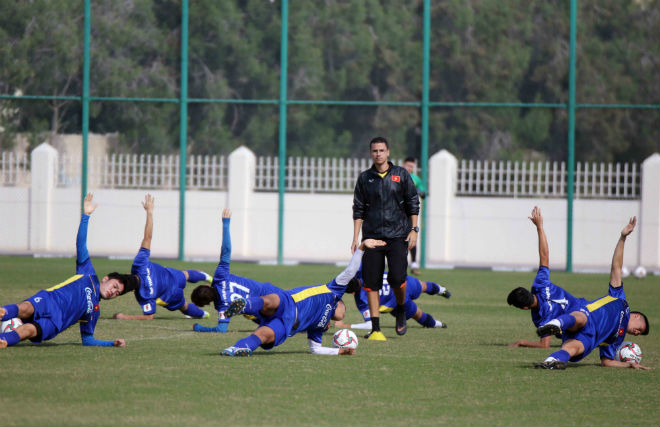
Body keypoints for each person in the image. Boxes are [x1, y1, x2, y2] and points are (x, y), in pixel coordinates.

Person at [0, 193, 130, 348]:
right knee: (24, 309)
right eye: (115, 286)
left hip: (55, 323)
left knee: (28, 330)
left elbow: (88, 340)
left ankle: (4, 340)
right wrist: (86, 216)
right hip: (49, 300)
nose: (113, 292)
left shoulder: (94, 311)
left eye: (117, 293)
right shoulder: (88, 274)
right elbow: (81, 245)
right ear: (106, 278)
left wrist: (111, 343)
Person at [219, 238, 387, 356]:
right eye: (344, 309)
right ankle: (244, 305)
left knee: (264, 335)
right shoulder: (333, 291)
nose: (343, 314)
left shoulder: (320, 327)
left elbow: (316, 349)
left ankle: (238, 348)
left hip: (288, 324)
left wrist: (339, 351)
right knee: (272, 300)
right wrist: (362, 248)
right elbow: (350, 271)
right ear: (340, 304)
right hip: (290, 302)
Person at [534, 216, 650, 370]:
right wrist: (623, 238)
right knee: (581, 317)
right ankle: (557, 323)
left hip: (590, 338)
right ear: (636, 316)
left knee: (574, 348)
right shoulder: (620, 300)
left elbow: (606, 362)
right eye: (639, 329)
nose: (636, 333)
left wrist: (629, 364)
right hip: (589, 316)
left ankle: (550, 361)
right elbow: (616, 267)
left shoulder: (616, 339)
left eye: (638, 334)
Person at [352, 136, 420, 340]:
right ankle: (375, 328)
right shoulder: (365, 178)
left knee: (398, 278)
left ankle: (400, 309)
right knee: (370, 283)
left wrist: (415, 229)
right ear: (370, 153)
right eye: (374, 151)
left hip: (398, 235)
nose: (378, 154)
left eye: (381, 150)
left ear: (388, 152)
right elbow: (358, 209)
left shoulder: (401, 175)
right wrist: (356, 238)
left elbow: (413, 202)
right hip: (372, 238)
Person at [111, 194, 211, 321]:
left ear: (131, 291)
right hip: (171, 275)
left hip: (170, 294)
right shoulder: (139, 264)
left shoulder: (144, 295)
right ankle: (209, 278)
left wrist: (124, 317)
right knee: (185, 274)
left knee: (183, 306)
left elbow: (149, 316)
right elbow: (148, 237)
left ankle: (204, 315)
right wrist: (149, 212)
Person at [189, 208, 288, 333]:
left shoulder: (222, 306)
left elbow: (221, 329)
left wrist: (199, 328)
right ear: (206, 285)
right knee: (297, 309)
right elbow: (226, 251)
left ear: (208, 303)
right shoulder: (220, 277)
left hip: (264, 314)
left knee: (285, 322)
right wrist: (226, 223)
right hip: (270, 293)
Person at [507, 206, 584, 348]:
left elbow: (544, 345)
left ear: (525, 308)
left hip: (582, 330)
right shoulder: (540, 284)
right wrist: (539, 227)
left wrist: (521, 342)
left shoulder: (542, 317)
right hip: (587, 307)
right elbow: (544, 255)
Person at [334, 270, 450, 331]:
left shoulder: (362, 300)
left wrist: (347, 325)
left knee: (418, 315)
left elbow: (369, 325)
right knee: (423, 285)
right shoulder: (363, 272)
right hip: (402, 285)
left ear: (353, 292)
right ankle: (441, 290)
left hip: (397, 303)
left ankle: (438, 324)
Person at [402, 157, 426, 275]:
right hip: (397, 212)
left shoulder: (416, 179)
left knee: (412, 235)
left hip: (410, 213)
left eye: (412, 166)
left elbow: (423, 194)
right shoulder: (397, 175)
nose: (410, 168)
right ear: (403, 164)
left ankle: (414, 263)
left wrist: (420, 192)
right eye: (408, 165)